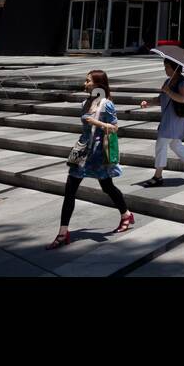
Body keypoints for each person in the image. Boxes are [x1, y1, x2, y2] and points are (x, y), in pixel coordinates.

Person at [47, 70, 133, 249]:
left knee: (107, 186)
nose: (85, 84)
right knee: (70, 190)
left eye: (88, 81)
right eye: (85, 81)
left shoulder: (107, 104)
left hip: (98, 153)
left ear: (98, 85)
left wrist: (97, 123)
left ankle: (126, 214)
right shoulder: (85, 102)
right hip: (81, 151)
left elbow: (115, 128)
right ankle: (63, 233)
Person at [139, 60, 184, 186]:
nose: (165, 69)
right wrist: (148, 102)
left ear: (175, 68)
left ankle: (158, 176)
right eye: (165, 67)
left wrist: (168, 91)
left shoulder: (182, 82)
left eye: (167, 67)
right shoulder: (167, 82)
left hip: (177, 119)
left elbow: (182, 98)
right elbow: (161, 99)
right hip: (167, 119)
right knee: (175, 145)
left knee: (161, 143)